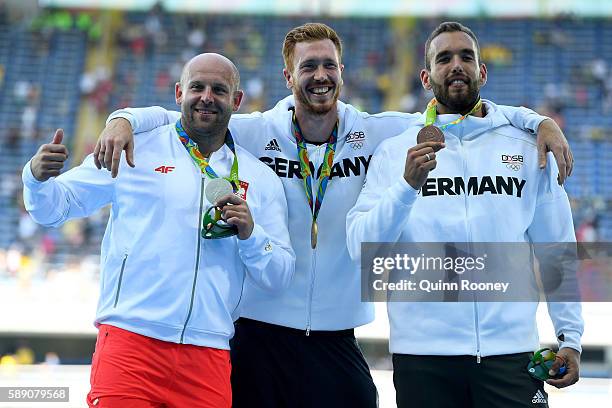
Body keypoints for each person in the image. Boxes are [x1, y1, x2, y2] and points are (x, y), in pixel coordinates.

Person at [94, 23, 574, 408]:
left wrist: (538, 121)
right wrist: (126, 117)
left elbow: (459, 109)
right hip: (258, 331)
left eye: (328, 65)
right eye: (308, 66)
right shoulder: (254, 131)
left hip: (337, 335)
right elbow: (190, 112)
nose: (319, 75)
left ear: (342, 72)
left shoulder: (381, 133)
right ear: (289, 77)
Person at [22, 53, 295, 408]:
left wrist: (252, 235)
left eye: (219, 89)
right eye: (197, 87)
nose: (206, 97)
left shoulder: (259, 177)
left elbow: (280, 276)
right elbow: (55, 208)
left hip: (208, 351)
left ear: (237, 100)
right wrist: (36, 177)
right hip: (131, 343)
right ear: (179, 93)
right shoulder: (135, 148)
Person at [346, 22, 583, 408]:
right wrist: (406, 188)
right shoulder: (394, 153)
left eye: (466, 57)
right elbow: (361, 249)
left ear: (482, 72)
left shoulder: (529, 148)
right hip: (423, 358)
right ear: (426, 77)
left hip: (512, 354)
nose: (456, 65)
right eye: (444, 58)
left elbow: (556, 248)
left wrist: (570, 337)